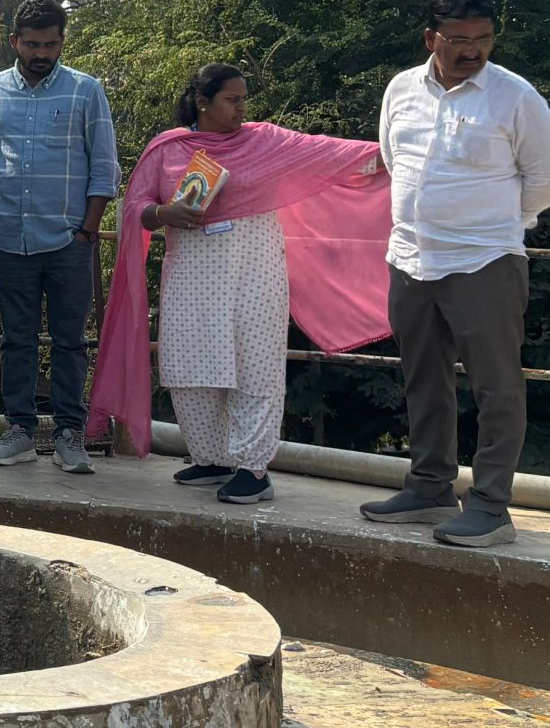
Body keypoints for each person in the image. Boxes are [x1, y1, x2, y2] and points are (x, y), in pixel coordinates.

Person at [88, 64, 390, 505]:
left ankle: (253, 469)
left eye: (244, 99)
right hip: (191, 275)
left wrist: (400, 152)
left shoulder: (264, 141)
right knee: (189, 367)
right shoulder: (168, 149)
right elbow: (135, 207)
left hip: (256, 272)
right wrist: (165, 213)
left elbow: (328, 153)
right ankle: (212, 459)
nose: (242, 108)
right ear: (202, 102)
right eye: (232, 99)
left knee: (255, 366)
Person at [362, 0, 550, 548]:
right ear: (432, 38)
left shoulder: (515, 97)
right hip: (410, 258)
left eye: (484, 39)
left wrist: (489, 224)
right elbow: (392, 159)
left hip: (485, 261)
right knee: (423, 380)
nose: (473, 50)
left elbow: (546, 183)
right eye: (459, 39)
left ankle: (492, 506)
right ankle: (429, 487)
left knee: (497, 388)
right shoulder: (401, 89)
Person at [0, 0, 120, 477]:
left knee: (70, 343)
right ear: (15, 42)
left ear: (62, 42)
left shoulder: (85, 90)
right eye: (32, 44)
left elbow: (104, 166)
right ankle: (20, 431)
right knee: (16, 341)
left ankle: (69, 434)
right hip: (11, 237)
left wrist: (88, 230)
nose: (41, 53)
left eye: (50, 44)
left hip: (70, 241)